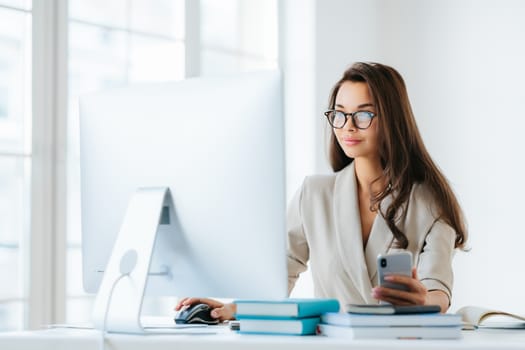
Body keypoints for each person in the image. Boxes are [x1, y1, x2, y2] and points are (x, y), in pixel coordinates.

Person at [175, 62, 467, 320]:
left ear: (392, 118)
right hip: (333, 342)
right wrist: (230, 308)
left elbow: (438, 291)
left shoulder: (429, 202)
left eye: (364, 115)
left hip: (397, 341)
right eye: (339, 114)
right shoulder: (313, 194)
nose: (348, 127)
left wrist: (422, 301)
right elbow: (278, 277)